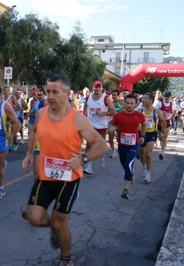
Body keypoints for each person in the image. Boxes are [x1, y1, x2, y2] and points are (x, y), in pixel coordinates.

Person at [22, 74, 107, 266]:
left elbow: (101, 145)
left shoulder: (77, 119)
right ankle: (54, 227)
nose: (49, 96)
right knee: (34, 218)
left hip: (68, 178)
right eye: (48, 91)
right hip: (46, 175)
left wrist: (83, 158)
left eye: (55, 92)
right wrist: (29, 154)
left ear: (67, 94)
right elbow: (34, 131)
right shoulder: (42, 113)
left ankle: (65, 258)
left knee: (62, 222)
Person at [109, 94, 146, 199]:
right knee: (124, 165)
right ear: (124, 103)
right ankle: (130, 176)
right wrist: (112, 129)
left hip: (134, 145)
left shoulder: (139, 115)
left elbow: (143, 124)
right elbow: (113, 125)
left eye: (132, 103)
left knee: (129, 165)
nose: (129, 105)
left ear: (135, 104)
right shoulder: (118, 115)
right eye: (127, 103)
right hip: (122, 144)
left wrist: (142, 135)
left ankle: (126, 190)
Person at [83, 80, 115, 174]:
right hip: (90, 125)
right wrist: (85, 114)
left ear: (101, 88)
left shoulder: (106, 98)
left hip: (101, 126)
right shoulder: (88, 97)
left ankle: (102, 156)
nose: (97, 89)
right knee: (89, 145)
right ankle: (89, 166)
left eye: (99, 87)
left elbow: (113, 111)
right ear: (93, 88)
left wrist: (102, 113)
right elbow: (85, 105)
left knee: (100, 145)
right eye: (95, 87)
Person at [138, 93, 166, 184]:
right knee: (142, 154)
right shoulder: (139, 110)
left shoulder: (157, 111)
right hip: (141, 133)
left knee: (148, 154)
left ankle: (148, 174)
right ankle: (144, 168)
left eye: (145, 98)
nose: (143, 100)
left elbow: (163, 121)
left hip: (151, 134)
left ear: (151, 100)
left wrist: (161, 131)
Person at [155, 91, 177, 160]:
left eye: (168, 97)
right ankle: (161, 144)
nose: (167, 98)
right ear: (164, 97)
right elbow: (155, 112)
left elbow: (175, 111)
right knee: (161, 137)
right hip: (160, 123)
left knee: (164, 138)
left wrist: (173, 116)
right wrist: (160, 114)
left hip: (167, 123)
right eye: (166, 96)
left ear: (170, 97)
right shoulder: (159, 104)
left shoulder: (173, 104)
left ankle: (162, 153)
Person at [2, 85, 22, 151]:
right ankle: (8, 144)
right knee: (6, 130)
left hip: (12, 116)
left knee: (13, 130)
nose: (4, 92)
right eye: (3, 90)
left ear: (9, 91)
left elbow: (18, 106)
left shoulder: (12, 97)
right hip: (5, 117)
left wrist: (12, 110)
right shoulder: (2, 98)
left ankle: (15, 143)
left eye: (5, 90)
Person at [108, 89, 124, 158]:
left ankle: (121, 150)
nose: (114, 96)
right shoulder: (110, 103)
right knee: (110, 137)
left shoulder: (121, 102)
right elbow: (108, 112)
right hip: (112, 122)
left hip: (120, 123)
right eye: (113, 95)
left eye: (115, 95)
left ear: (118, 96)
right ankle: (114, 151)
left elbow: (125, 112)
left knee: (119, 137)